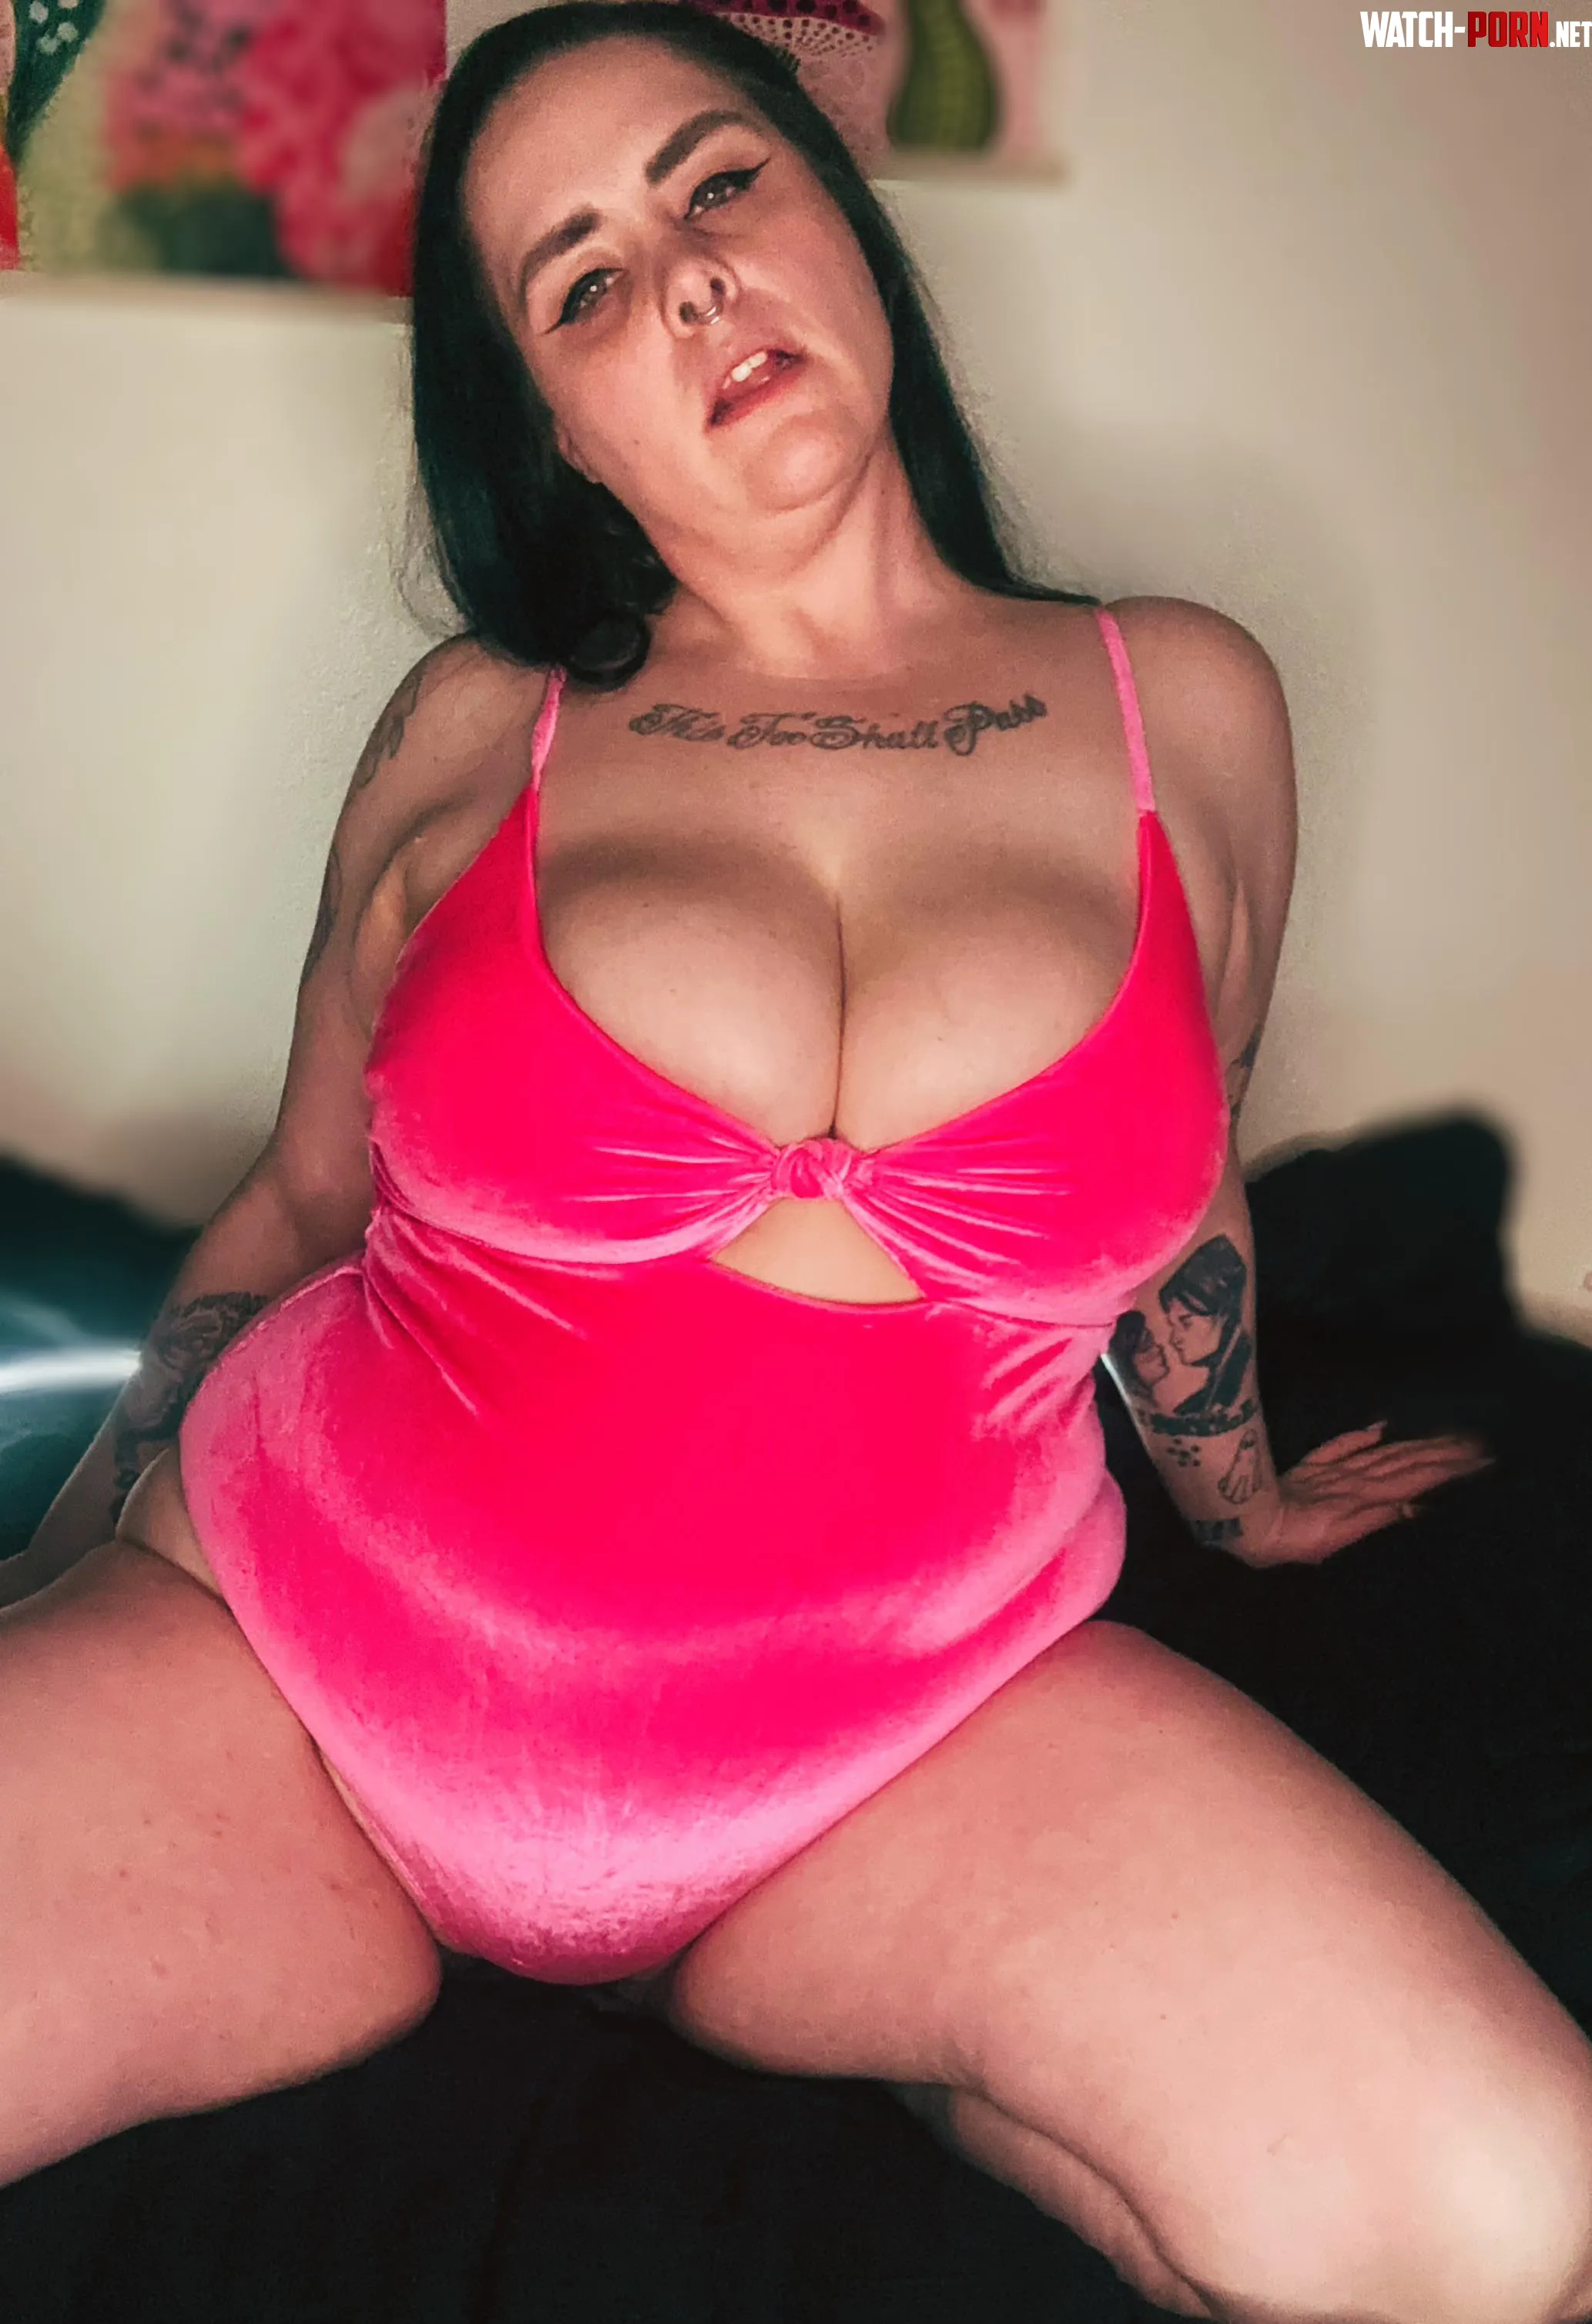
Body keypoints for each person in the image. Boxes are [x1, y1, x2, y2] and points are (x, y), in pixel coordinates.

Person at [5, 9, 1591, 2319]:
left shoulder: (1184, 705)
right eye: (581, 280)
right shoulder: (481, 730)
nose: (683, 281)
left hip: (893, 1757)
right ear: (553, 425)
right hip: (291, 1678)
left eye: (717, 182)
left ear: (841, 217)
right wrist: (63, 1563)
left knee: (1516, 2201)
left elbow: (1182, 1190)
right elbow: (301, 1206)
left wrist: (1237, 1497)